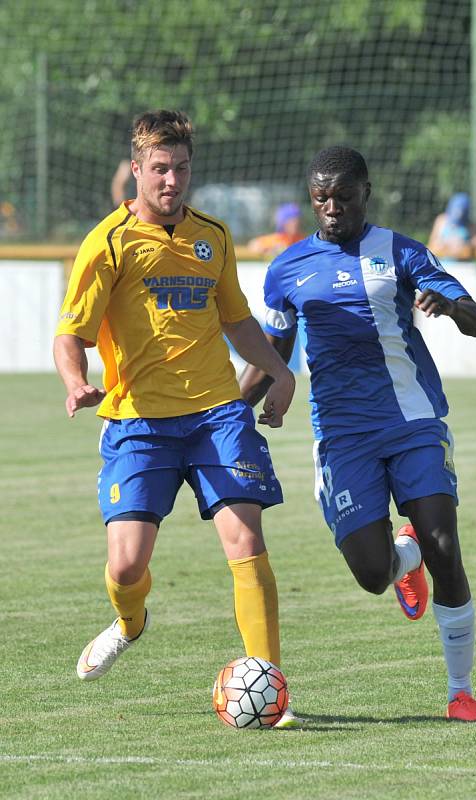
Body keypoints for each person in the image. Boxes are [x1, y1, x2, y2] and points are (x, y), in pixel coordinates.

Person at [53, 109, 301, 728]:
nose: (171, 180)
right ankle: (130, 623)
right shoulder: (106, 243)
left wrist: (280, 371)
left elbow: (237, 321)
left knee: (246, 543)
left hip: (218, 413)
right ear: (136, 170)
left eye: (181, 168)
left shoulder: (212, 236)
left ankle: (270, 693)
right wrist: (76, 382)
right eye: (159, 169)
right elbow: (70, 333)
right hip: (138, 421)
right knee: (126, 566)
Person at [240, 145, 476, 722]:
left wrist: (451, 307)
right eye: (321, 199)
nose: (332, 209)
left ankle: (461, 692)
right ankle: (404, 561)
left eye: (344, 197)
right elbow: (273, 352)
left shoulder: (403, 252)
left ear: (366, 194)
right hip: (342, 436)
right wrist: (235, 410)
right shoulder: (287, 268)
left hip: (412, 422)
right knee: (373, 574)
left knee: (446, 549)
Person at [427, 192, 476, 260]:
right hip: (443, 263)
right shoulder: (441, 220)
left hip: (462, 265)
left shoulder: (469, 225)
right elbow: (431, 244)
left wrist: (466, 244)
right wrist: (446, 245)